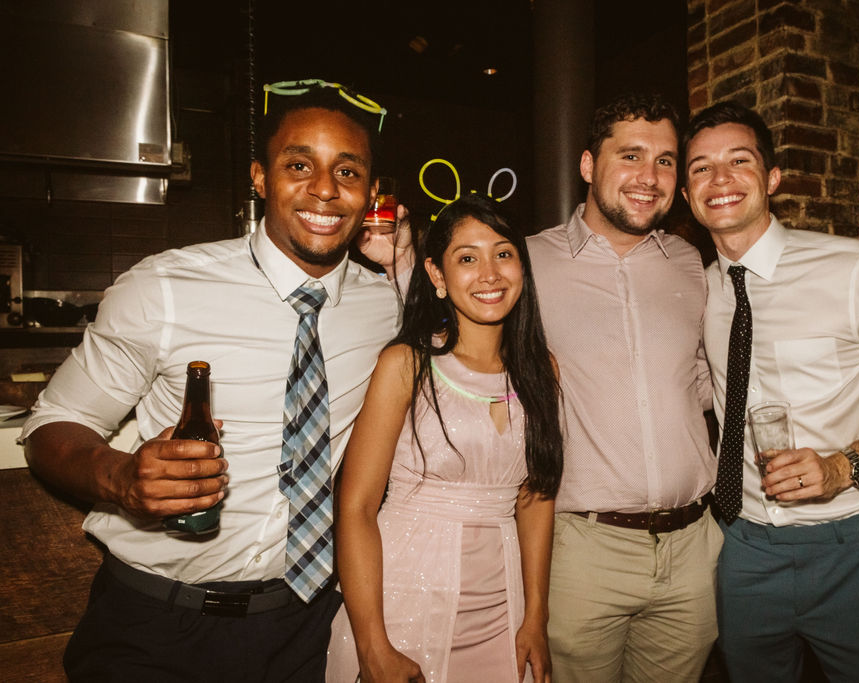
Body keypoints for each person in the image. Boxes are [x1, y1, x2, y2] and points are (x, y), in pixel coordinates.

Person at [20, 85, 409, 681]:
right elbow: (53, 426)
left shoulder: (384, 307)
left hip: (308, 629)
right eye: (298, 165)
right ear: (260, 178)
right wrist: (120, 477)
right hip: (157, 623)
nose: (325, 189)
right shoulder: (165, 288)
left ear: (372, 193)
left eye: (347, 171)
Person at [679, 100, 859, 682]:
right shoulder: (698, 290)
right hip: (743, 550)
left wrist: (846, 466)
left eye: (739, 161)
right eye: (700, 168)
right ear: (688, 195)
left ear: (771, 179)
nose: (719, 179)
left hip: (855, 548)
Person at [326, 194, 562, 683]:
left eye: (503, 253)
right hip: (404, 596)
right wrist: (373, 646)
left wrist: (535, 616)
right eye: (467, 259)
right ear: (436, 276)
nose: (490, 273)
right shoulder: (407, 366)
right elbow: (356, 507)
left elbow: (535, 498)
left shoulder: (543, 371)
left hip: (503, 608)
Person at [527, 93, 722, 682]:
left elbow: (706, 386)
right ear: (588, 165)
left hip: (693, 549)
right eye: (631, 155)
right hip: (582, 551)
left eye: (665, 161)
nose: (649, 177)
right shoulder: (526, 263)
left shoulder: (692, 263)